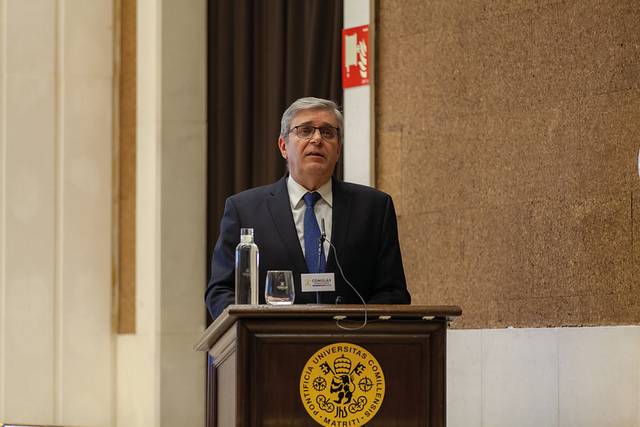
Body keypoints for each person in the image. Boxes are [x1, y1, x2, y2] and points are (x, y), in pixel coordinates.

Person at [205, 97, 410, 319]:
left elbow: (393, 292)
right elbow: (220, 291)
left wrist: (355, 327)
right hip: (269, 346)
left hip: (351, 347)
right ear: (284, 146)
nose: (317, 139)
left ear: (338, 149)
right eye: (305, 131)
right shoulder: (244, 210)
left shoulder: (374, 208)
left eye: (328, 132)